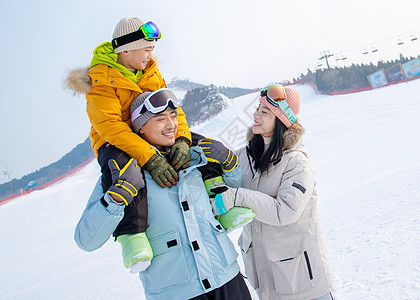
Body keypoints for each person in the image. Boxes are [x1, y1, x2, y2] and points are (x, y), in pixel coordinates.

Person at [74, 89, 252, 300]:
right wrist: (116, 197)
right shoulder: (124, 172)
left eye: (173, 116)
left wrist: (229, 164)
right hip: (176, 293)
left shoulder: (194, 157)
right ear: (140, 128)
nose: (171, 125)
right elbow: (86, 240)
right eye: (160, 119)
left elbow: (231, 193)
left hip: (228, 280)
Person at [65, 17, 192, 273]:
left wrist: (183, 139)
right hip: (114, 143)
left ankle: (219, 195)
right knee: (128, 174)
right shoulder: (100, 80)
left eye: (152, 48)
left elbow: (172, 109)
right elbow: (111, 127)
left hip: (148, 134)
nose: (150, 54)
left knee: (200, 146)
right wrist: (150, 157)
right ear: (125, 49)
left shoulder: (151, 72)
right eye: (146, 48)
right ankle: (131, 237)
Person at [209, 85, 334, 299]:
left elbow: (284, 212)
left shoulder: (296, 163)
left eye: (264, 111)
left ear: (281, 120)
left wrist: (238, 196)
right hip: (265, 279)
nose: (256, 115)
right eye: (257, 108)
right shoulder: (244, 157)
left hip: (303, 283)